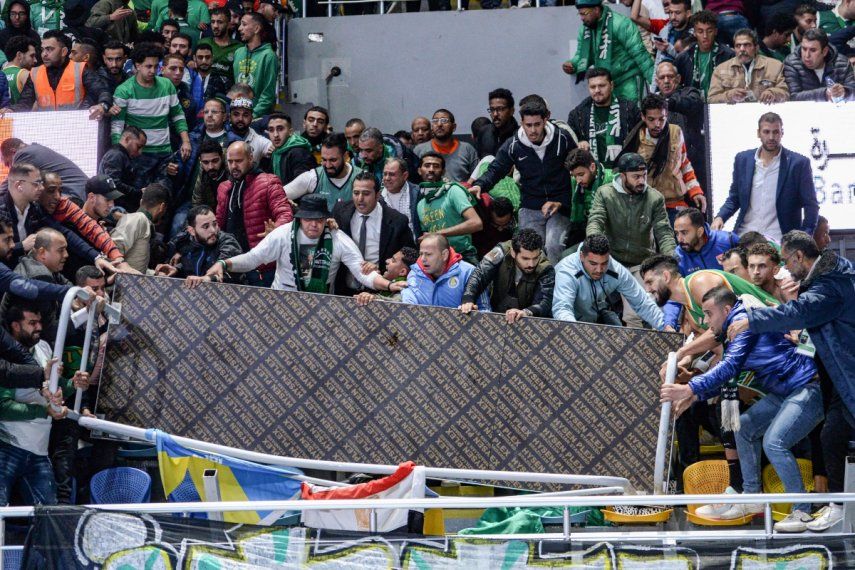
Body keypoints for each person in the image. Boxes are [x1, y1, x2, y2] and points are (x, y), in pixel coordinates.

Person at [661, 285, 822, 531]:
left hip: (808, 387)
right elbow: (730, 376)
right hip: (785, 391)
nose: (705, 321)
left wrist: (690, 388)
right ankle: (751, 498)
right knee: (744, 427)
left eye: (708, 313)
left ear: (726, 309)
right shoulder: (732, 327)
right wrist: (696, 396)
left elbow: (730, 367)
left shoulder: (742, 322)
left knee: (774, 442)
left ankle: (802, 512)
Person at [201, 194, 404, 294]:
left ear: (326, 219)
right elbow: (254, 259)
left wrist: (388, 285)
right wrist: (224, 264)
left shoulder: (338, 239)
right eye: (308, 219)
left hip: (321, 307)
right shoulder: (282, 234)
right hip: (282, 300)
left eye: (319, 219)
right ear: (299, 218)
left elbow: (362, 272)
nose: (314, 224)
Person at [0, 304, 90, 507]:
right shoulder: (5, 358)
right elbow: (3, 407)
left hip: (39, 450)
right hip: (7, 447)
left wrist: (72, 384)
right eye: (32, 323)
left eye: (39, 322)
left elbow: (54, 391)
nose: (39, 327)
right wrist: (42, 411)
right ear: (15, 325)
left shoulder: (45, 349)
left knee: (48, 514)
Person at [471, 98, 576, 265]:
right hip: (531, 204)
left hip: (559, 204)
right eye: (528, 125)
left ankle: (554, 288)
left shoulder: (561, 138)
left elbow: (577, 166)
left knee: (553, 246)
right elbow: (496, 169)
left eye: (537, 124)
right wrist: (479, 185)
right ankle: (529, 289)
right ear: (522, 122)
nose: (533, 130)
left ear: (545, 120)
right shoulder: (513, 145)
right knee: (527, 249)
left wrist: (563, 202)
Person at [586, 152, 675, 326]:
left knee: (634, 315)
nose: (641, 181)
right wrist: (595, 247)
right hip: (610, 262)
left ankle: (635, 352)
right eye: (636, 176)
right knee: (587, 306)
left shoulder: (655, 198)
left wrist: (671, 259)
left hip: (640, 264)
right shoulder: (605, 194)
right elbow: (596, 221)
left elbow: (664, 232)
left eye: (644, 176)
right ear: (622, 176)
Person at [712, 112, 818, 241]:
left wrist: (804, 238)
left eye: (776, 132)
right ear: (758, 133)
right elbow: (734, 198)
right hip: (745, 235)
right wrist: (720, 217)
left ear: (782, 133)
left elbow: (811, 205)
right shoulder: (743, 159)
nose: (771, 137)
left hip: (780, 240)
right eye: (766, 132)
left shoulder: (798, 163)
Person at [112, 42, 191, 190]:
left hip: (164, 153)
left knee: (163, 196)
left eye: (156, 66)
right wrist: (120, 152)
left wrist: (185, 141)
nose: (153, 71)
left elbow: (178, 115)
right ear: (137, 65)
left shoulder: (167, 85)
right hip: (138, 155)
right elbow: (117, 125)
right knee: (139, 196)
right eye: (148, 66)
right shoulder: (124, 90)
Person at [216, 141, 292, 286]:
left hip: (261, 266)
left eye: (238, 161)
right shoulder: (224, 188)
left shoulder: (269, 182)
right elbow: (218, 224)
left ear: (251, 158)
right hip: (232, 263)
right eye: (230, 162)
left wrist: (276, 229)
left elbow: (285, 214)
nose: (233, 166)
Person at [621, 93, 706, 225]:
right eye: (651, 119)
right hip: (646, 206)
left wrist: (695, 192)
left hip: (675, 202)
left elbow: (684, 165)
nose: (657, 124)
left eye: (662, 119)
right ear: (643, 117)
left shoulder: (676, 132)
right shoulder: (635, 141)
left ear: (667, 115)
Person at [553, 233, 664, 328]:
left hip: (595, 314)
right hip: (566, 322)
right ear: (582, 256)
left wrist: (664, 326)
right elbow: (562, 309)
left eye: (604, 263)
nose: (599, 270)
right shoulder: (567, 271)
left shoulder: (615, 269)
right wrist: (577, 333)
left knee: (619, 334)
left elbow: (641, 302)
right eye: (593, 264)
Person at [331, 172, 416, 295]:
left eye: (366, 194)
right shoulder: (340, 211)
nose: (360, 199)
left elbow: (410, 256)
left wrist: (380, 270)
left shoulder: (397, 221)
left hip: (378, 291)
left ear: (377, 195)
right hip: (343, 289)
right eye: (356, 193)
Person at [563, 0, 654, 102]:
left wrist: (655, 83)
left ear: (596, 10)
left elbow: (640, 54)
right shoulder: (585, 30)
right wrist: (573, 64)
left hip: (629, 81)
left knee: (632, 115)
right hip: (605, 85)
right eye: (579, 14)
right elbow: (582, 55)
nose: (582, 18)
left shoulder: (620, 23)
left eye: (584, 14)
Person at [460, 228, 553, 323]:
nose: (531, 264)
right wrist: (468, 299)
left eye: (535, 258)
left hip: (528, 321)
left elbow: (545, 302)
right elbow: (479, 274)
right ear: (513, 252)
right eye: (525, 258)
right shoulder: (500, 252)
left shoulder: (545, 268)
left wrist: (526, 312)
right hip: (497, 312)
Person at [11, 30, 111, 117]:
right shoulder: (35, 73)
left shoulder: (80, 69)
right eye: (42, 50)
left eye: (49, 49)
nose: (44, 54)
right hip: (46, 129)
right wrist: (11, 110)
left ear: (63, 52)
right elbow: (24, 102)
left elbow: (102, 91)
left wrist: (102, 105)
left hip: (76, 127)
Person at [567, 68, 641, 169]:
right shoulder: (577, 114)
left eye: (601, 86)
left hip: (625, 171)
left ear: (611, 85)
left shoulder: (630, 110)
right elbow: (570, 145)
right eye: (593, 87)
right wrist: (579, 143)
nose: (597, 90)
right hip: (593, 174)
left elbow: (641, 141)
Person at [416, 152, 482, 265]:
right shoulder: (421, 204)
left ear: (443, 171)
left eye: (436, 166)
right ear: (419, 170)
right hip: (436, 261)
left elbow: (476, 223)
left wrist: (438, 233)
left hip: (463, 257)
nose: (431, 169)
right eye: (427, 165)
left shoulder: (453, 191)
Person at [653, 61, 709, 192]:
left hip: (692, 163)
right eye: (662, 78)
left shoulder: (690, 93)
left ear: (678, 78)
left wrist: (669, 103)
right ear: (656, 81)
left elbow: (693, 103)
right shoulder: (652, 101)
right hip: (664, 166)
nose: (666, 81)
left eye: (670, 76)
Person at [401, 233, 489, 310]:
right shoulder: (415, 274)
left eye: (428, 254)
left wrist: (474, 315)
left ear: (444, 255)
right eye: (421, 254)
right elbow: (408, 309)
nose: (423, 259)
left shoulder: (469, 273)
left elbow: (485, 310)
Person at [157, 205, 242, 280]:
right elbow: (190, 268)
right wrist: (177, 270)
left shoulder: (227, 241)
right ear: (192, 231)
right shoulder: (185, 242)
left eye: (215, 224)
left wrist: (206, 279)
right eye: (206, 227)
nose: (213, 230)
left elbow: (229, 274)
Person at [708, 28, 790, 104]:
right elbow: (711, 99)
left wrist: (772, 93)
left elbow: (786, 94)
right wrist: (729, 96)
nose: (742, 49)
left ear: (756, 48)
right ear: (734, 49)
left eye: (746, 45)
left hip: (765, 114)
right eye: (738, 46)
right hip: (734, 115)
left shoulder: (775, 66)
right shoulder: (720, 69)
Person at [284, 133, 362, 211]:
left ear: (345, 156)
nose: (328, 165)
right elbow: (278, 195)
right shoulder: (314, 177)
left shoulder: (361, 177)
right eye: (324, 160)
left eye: (333, 160)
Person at [0, 139, 89, 203]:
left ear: (13, 152)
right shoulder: (34, 149)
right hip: (82, 193)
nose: (9, 168)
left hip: (75, 195)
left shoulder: (23, 154)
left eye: (8, 163)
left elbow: (11, 183)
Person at [674, 11, 735, 97]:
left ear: (715, 31)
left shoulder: (729, 55)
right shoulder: (683, 58)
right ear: (694, 33)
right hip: (693, 106)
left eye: (709, 31)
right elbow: (677, 86)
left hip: (721, 104)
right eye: (700, 31)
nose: (705, 36)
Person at [783, 28, 855, 102]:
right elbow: (793, 97)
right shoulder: (791, 63)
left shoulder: (842, 63)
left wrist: (845, 91)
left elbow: (853, 91)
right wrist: (824, 94)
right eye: (804, 49)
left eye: (813, 50)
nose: (807, 55)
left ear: (824, 51)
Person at [111, 183, 170, 273]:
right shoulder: (138, 219)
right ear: (162, 207)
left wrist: (154, 274)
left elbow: (135, 265)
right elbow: (113, 251)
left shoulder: (143, 221)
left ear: (141, 201)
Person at [412, 109, 479, 184]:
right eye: (435, 121)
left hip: (460, 193)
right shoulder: (419, 150)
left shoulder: (467, 149)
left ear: (454, 127)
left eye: (444, 120)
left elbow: (476, 178)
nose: (439, 124)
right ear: (432, 127)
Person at [565, 148, 614, 248]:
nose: (578, 180)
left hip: (609, 229)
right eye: (574, 176)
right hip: (584, 225)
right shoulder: (574, 181)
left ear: (592, 167)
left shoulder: (612, 179)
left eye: (581, 174)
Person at [233, 12, 278, 117]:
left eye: (244, 24)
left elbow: (268, 95)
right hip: (239, 114)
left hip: (258, 117)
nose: (239, 28)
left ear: (257, 29)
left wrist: (252, 115)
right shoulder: (238, 52)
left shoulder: (268, 55)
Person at [673, 207, 739, 276]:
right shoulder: (678, 257)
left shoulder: (728, 240)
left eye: (684, 232)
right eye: (677, 233)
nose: (679, 239)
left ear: (700, 232)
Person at [98, 126, 147, 211]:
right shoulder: (116, 155)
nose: (140, 152)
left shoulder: (122, 155)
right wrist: (137, 193)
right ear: (127, 139)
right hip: (114, 208)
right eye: (138, 146)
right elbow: (113, 183)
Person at [263, 113, 315, 185]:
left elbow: (303, 185)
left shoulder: (299, 153)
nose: (275, 135)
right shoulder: (276, 152)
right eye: (271, 130)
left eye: (280, 129)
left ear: (290, 132)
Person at [353, 247, 419, 305]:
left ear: (402, 272)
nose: (387, 261)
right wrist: (371, 273)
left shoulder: (406, 288)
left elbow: (397, 304)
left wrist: (373, 298)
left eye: (393, 260)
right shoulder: (388, 281)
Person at [381, 157, 421, 240]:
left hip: (414, 248)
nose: (387, 178)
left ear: (405, 175)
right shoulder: (377, 196)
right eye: (385, 174)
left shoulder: (417, 193)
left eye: (392, 174)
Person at [198, 7, 241, 80]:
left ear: (229, 24)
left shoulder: (238, 48)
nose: (215, 26)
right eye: (212, 22)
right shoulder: (203, 42)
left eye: (220, 22)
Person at [476, 88, 519, 159]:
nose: (495, 114)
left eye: (500, 109)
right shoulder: (484, 132)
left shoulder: (520, 135)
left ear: (512, 111)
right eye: (492, 109)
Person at [228, 97, 272, 166]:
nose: (240, 119)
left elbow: (272, 148)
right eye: (236, 114)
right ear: (229, 117)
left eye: (245, 115)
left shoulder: (258, 139)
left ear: (251, 118)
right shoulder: (222, 135)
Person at [2, 36, 37, 106]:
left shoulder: (1, 74)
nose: (36, 60)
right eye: (32, 56)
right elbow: (35, 104)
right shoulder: (24, 74)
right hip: (22, 116)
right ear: (19, 55)